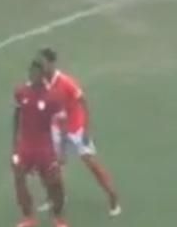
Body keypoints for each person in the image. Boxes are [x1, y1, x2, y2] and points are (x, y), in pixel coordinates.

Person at [38, 48, 121, 216]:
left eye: (43, 63)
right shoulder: (41, 82)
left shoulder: (66, 82)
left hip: (75, 128)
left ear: (52, 63)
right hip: (57, 129)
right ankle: (57, 196)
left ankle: (113, 198)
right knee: (51, 166)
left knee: (91, 163)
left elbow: (82, 102)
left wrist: (86, 129)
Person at [12, 58, 68, 227]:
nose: (32, 74)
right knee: (19, 178)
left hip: (45, 147)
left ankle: (58, 217)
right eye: (31, 71)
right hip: (26, 145)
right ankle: (28, 217)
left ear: (43, 75)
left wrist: (62, 150)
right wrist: (15, 142)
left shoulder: (53, 97)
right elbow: (16, 116)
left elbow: (63, 123)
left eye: (36, 72)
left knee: (54, 183)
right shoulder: (21, 92)